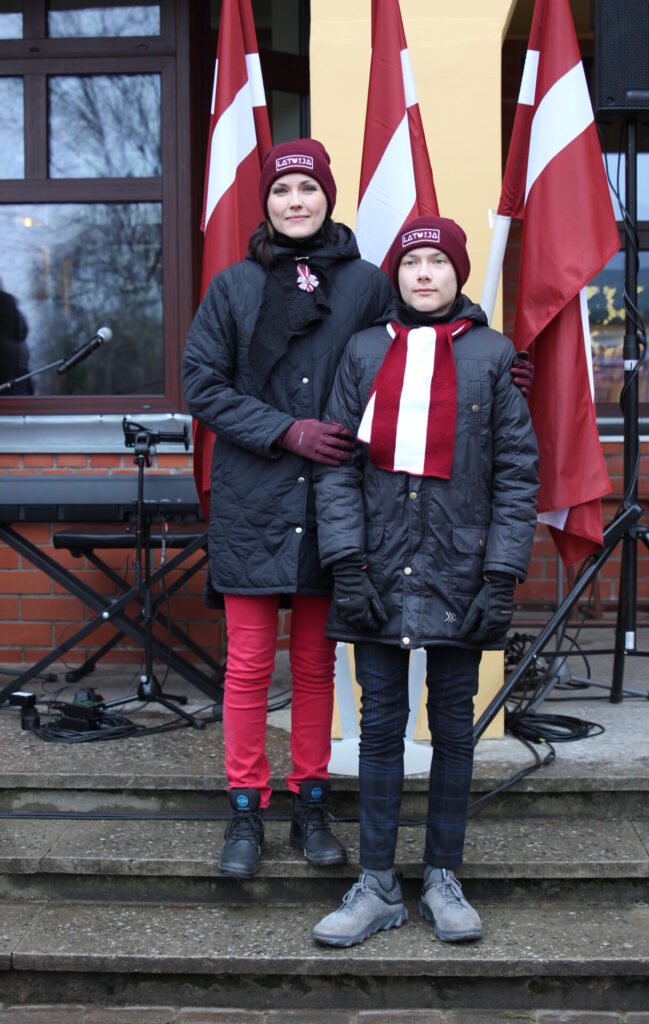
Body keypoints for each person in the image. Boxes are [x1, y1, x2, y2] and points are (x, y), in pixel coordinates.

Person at [311, 216, 539, 947]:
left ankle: (442, 876)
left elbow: (516, 476)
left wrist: (500, 575)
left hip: (461, 573)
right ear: (397, 276)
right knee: (379, 727)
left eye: (438, 261)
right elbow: (336, 467)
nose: (424, 274)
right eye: (412, 262)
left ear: (457, 273)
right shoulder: (363, 351)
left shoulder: (492, 356)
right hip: (376, 570)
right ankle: (376, 884)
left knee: (452, 727)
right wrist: (346, 564)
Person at [182, 139, 395, 879]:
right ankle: (246, 807)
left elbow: (414, 350)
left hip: (334, 502)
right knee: (247, 664)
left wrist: (489, 362)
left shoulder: (367, 284)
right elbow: (201, 385)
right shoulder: (234, 286)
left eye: (307, 188)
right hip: (253, 498)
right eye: (281, 190)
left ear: (327, 196)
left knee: (313, 663)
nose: (295, 201)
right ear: (266, 203)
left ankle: (311, 802)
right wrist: (284, 429)